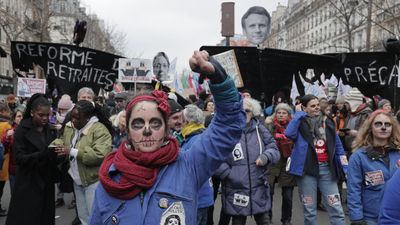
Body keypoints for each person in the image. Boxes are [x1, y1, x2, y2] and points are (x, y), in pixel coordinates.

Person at [89, 50, 245, 225]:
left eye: (155, 123)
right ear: (127, 130)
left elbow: (228, 127)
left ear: (166, 128)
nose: (147, 131)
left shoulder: (188, 166)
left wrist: (219, 78)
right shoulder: (110, 177)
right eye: (138, 124)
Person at [285, 94, 347, 225]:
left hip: (327, 171)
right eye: (312, 106)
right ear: (304, 107)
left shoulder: (328, 121)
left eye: (318, 105)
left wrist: (345, 166)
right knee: (309, 211)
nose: (317, 108)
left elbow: (338, 147)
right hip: (307, 171)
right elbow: (289, 134)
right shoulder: (299, 122)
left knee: (336, 208)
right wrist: (298, 115)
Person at [215, 97, 280, 225]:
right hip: (236, 189)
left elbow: (274, 149)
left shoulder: (260, 129)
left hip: (259, 186)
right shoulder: (226, 131)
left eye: (247, 111)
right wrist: (229, 174)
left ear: (253, 112)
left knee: (265, 221)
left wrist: (266, 157)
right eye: (240, 110)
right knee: (238, 222)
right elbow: (215, 157)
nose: (243, 114)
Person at [53, 100, 113, 225]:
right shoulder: (71, 127)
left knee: (95, 217)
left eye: (78, 118)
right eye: (72, 117)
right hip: (77, 180)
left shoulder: (99, 130)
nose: (74, 120)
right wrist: (57, 145)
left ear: (88, 118)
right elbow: (63, 140)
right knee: (83, 217)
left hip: (93, 181)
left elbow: (100, 154)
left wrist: (73, 151)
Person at [5, 94, 58, 225]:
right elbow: (19, 158)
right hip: (28, 183)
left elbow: (51, 153)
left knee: (44, 217)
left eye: (47, 114)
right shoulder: (22, 130)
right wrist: (42, 154)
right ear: (32, 113)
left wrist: (59, 154)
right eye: (41, 115)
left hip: (46, 181)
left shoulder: (48, 129)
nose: (45, 118)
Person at [347, 109, 400, 225]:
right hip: (370, 218)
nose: (383, 127)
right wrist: (357, 219)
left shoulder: (398, 154)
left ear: (392, 129)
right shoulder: (358, 157)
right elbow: (353, 190)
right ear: (370, 128)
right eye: (378, 124)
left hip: (394, 217)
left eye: (387, 124)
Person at [180, 104, 213, 225]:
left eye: (182, 120)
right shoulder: (198, 137)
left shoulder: (196, 140)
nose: (180, 123)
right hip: (202, 196)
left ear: (188, 121)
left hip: (197, 197)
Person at [265, 103, 296, 225]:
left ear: (288, 115)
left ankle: (286, 220)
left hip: (288, 161)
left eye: (284, 113)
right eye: (279, 113)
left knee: (288, 195)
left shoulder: (294, 126)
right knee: (268, 191)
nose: (281, 115)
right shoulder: (269, 125)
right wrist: (275, 136)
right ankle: (267, 218)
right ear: (275, 114)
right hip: (272, 161)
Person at [1, 107, 24, 194]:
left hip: (26, 169)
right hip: (13, 169)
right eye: (18, 116)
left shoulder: (29, 130)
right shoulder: (10, 131)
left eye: (22, 116)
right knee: (15, 195)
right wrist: (7, 138)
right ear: (14, 118)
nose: (21, 118)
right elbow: (4, 150)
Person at [0, 102, 12, 216]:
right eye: (7, 111)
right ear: (3, 112)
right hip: (3, 160)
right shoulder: (7, 126)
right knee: (0, 186)